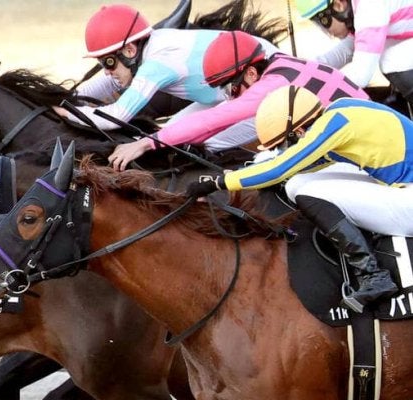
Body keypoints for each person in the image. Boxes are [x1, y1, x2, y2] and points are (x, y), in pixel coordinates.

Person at [186, 85, 405, 313]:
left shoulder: (335, 125)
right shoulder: (338, 111)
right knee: (297, 184)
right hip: (398, 185)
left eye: (285, 143)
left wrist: (217, 183)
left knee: (305, 192)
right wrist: (238, 175)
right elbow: (293, 165)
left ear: (299, 131)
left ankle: (373, 275)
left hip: (407, 198)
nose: (285, 149)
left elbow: (281, 167)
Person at [107, 30, 368, 171]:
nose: (230, 97)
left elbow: (213, 120)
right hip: (360, 133)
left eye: (231, 89)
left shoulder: (270, 87)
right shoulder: (280, 63)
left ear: (251, 73)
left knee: (284, 179)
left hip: (364, 152)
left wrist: (146, 143)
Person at [53, 3, 280, 132]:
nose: (106, 71)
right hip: (226, 94)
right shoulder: (148, 47)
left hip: (265, 87)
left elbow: (116, 117)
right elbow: (103, 84)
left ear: (130, 50)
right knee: (169, 137)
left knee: (192, 140)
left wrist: (66, 112)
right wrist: (62, 98)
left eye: (108, 62)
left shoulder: (158, 63)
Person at [295, 0, 413, 103]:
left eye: (322, 22)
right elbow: (348, 48)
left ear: (338, 4)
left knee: (391, 60)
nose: (327, 32)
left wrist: (318, 89)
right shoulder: (359, 6)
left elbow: (361, 74)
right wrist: (305, 69)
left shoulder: (370, 7)